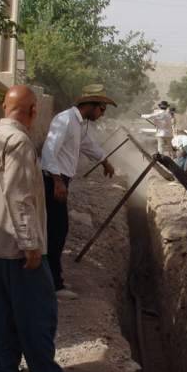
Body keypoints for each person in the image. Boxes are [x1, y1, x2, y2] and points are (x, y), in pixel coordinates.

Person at [0, 85, 86, 372]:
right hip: (18, 247)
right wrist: (31, 244)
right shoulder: (19, 142)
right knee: (37, 315)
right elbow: (18, 196)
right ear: (33, 111)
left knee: (3, 315)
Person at [41, 84, 116, 300]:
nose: (103, 114)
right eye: (102, 109)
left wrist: (104, 161)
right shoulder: (64, 120)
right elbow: (48, 151)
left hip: (61, 180)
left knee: (56, 231)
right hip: (52, 180)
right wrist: (57, 181)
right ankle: (53, 285)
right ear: (91, 105)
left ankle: (50, 279)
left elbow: (86, 144)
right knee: (56, 232)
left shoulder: (79, 124)